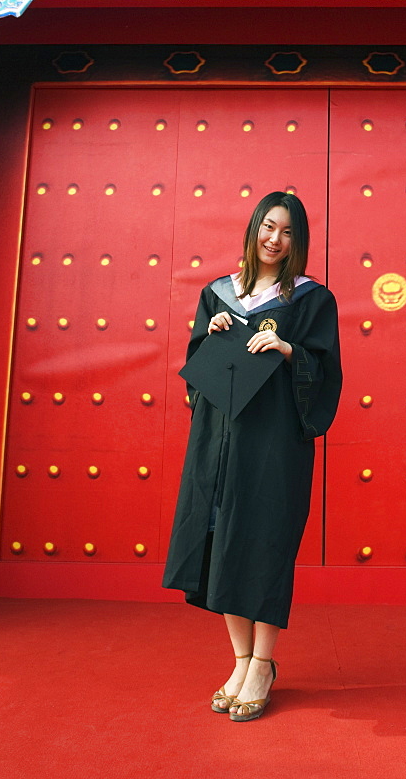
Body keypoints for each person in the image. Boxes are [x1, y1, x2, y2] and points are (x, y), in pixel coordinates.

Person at [163, 191, 342, 721]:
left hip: (272, 448)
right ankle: (240, 661)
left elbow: (326, 376)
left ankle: (263, 663)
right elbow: (199, 375)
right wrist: (212, 335)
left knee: (263, 544)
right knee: (221, 541)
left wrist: (290, 351)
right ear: (253, 228)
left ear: (298, 241)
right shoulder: (219, 294)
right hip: (218, 443)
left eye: (287, 232)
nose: (275, 240)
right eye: (269, 227)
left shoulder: (310, 300)